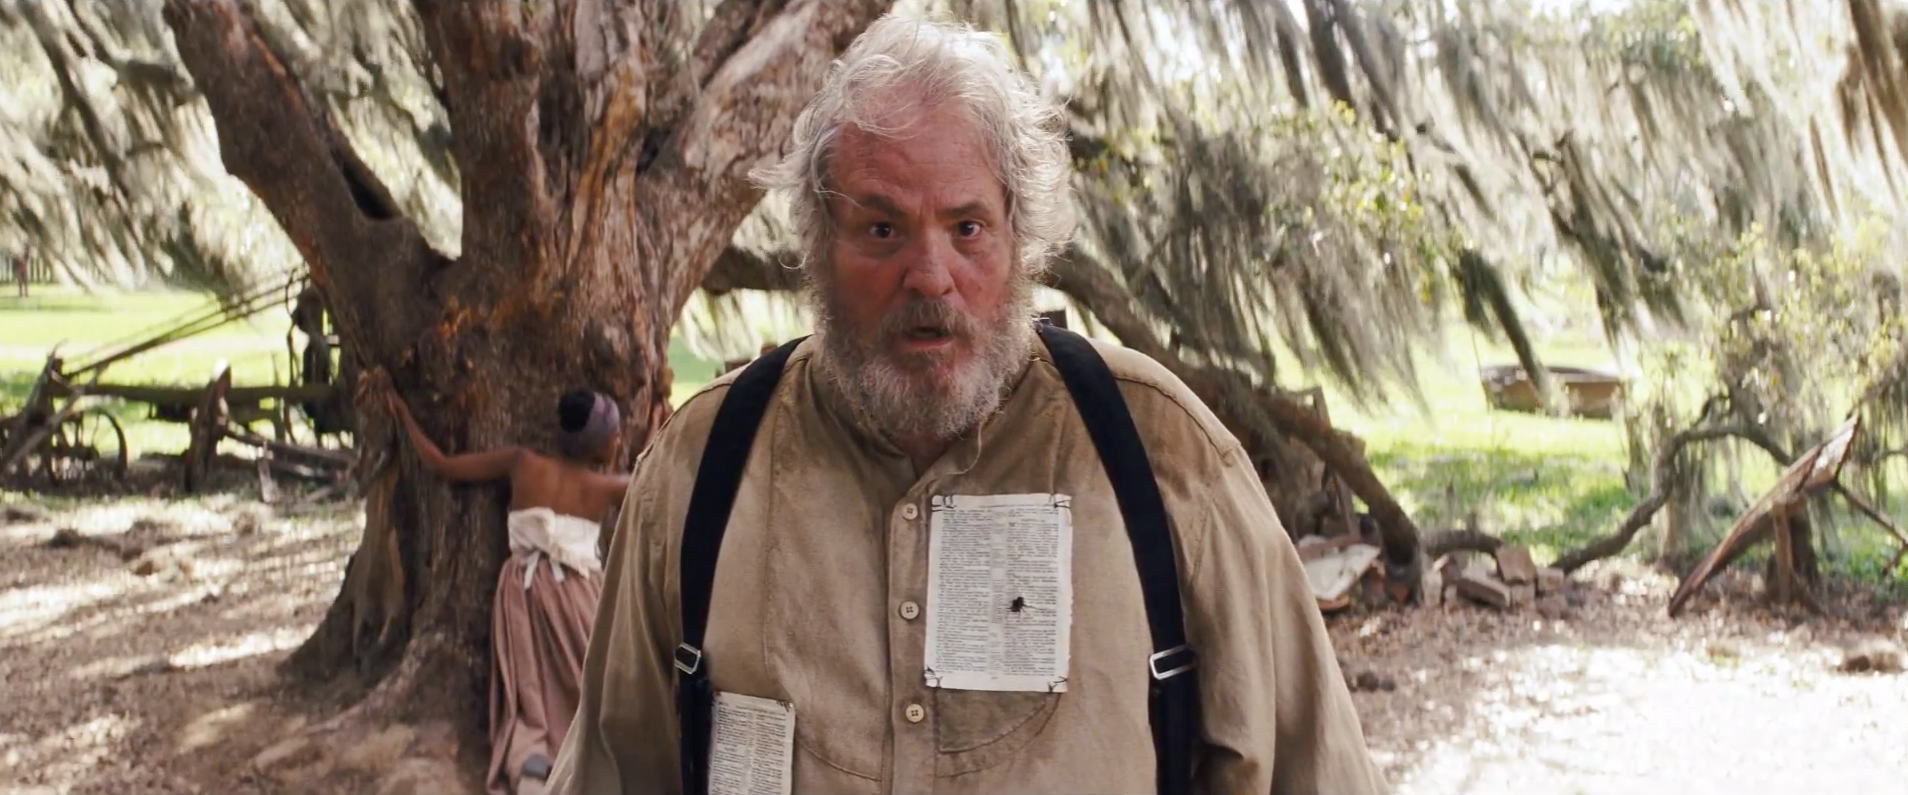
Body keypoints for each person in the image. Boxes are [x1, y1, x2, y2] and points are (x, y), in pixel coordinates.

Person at [549, 11, 1387, 795]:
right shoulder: (702, 469)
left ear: (1021, 239)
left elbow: (1315, 768)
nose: (929, 276)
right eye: (882, 229)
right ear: (819, 244)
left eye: (967, 228)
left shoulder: (1160, 454)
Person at [381, 384, 631, 795]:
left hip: (524, 596)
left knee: (531, 690)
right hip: (581, 599)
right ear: (598, 443)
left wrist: (404, 414)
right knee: (592, 681)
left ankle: (535, 758)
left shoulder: (522, 463)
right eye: (615, 435)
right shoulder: (609, 487)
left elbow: (442, 464)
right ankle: (591, 755)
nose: (619, 441)